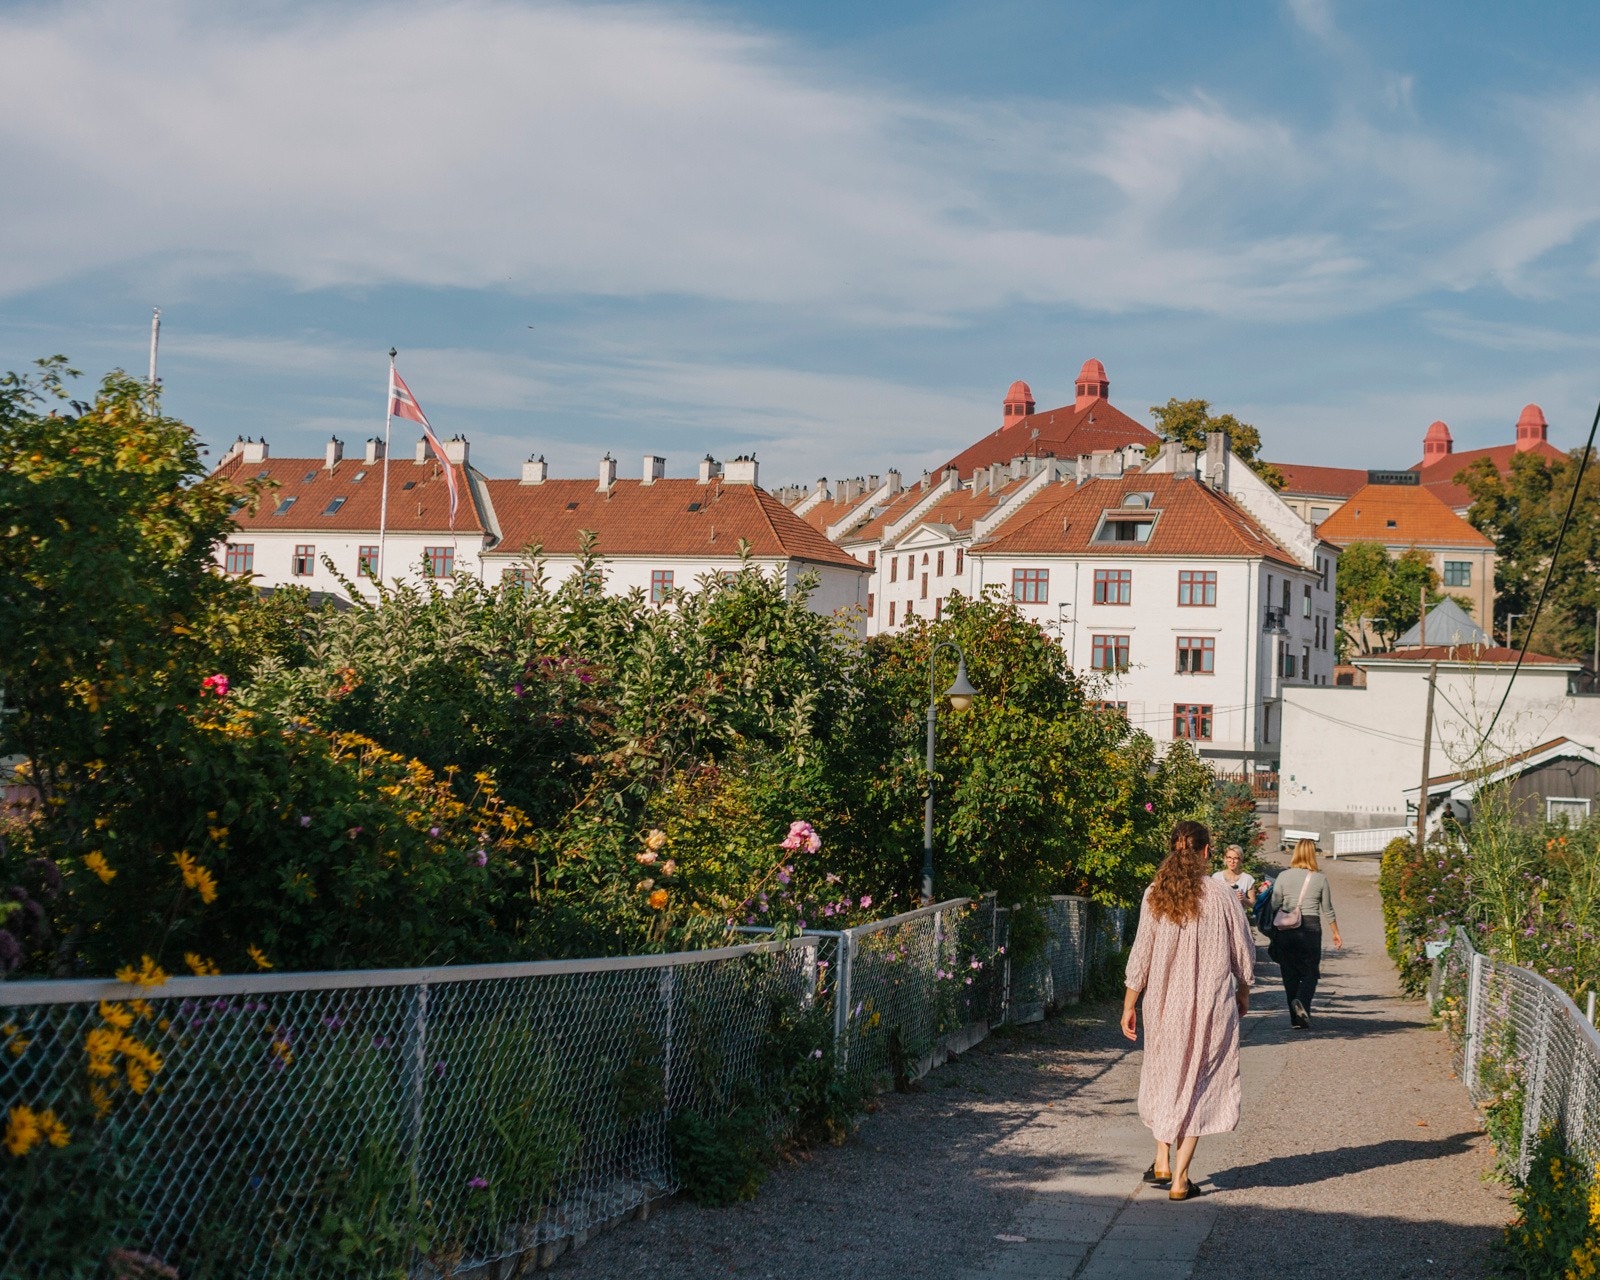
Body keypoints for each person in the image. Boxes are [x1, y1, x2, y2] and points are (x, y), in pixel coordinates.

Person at [1121, 820, 1255, 1201]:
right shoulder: (1223, 895)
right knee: (1201, 1082)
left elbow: (1141, 954)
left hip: (1164, 1006)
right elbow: (1243, 951)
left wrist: (1129, 1004)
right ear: (1207, 851)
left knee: (1165, 1073)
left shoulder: (1155, 894)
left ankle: (1161, 1157)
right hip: (1210, 1007)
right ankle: (1180, 1179)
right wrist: (1244, 991)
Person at [1268, 839, 1343, 1029]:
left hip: (1286, 928)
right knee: (1310, 973)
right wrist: (1335, 932)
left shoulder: (1283, 876)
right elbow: (1328, 909)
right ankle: (1302, 1002)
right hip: (1310, 928)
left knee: (1289, 974)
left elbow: (1274, 904)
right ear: (1313, 854)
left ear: (1295, 853)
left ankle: (1296, 1020)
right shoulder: (1320, 879)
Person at [1210, 843, 1256, 909]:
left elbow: (1253, 904)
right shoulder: (1216, 877)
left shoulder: (1247, 879)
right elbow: (1211, 899)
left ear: (1240, 860)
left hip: (1239, 914)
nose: (1232, 861)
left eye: (1235, 858)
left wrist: (1244, 899)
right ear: (1225, 859)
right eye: (1229, 857)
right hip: (1220, 914)